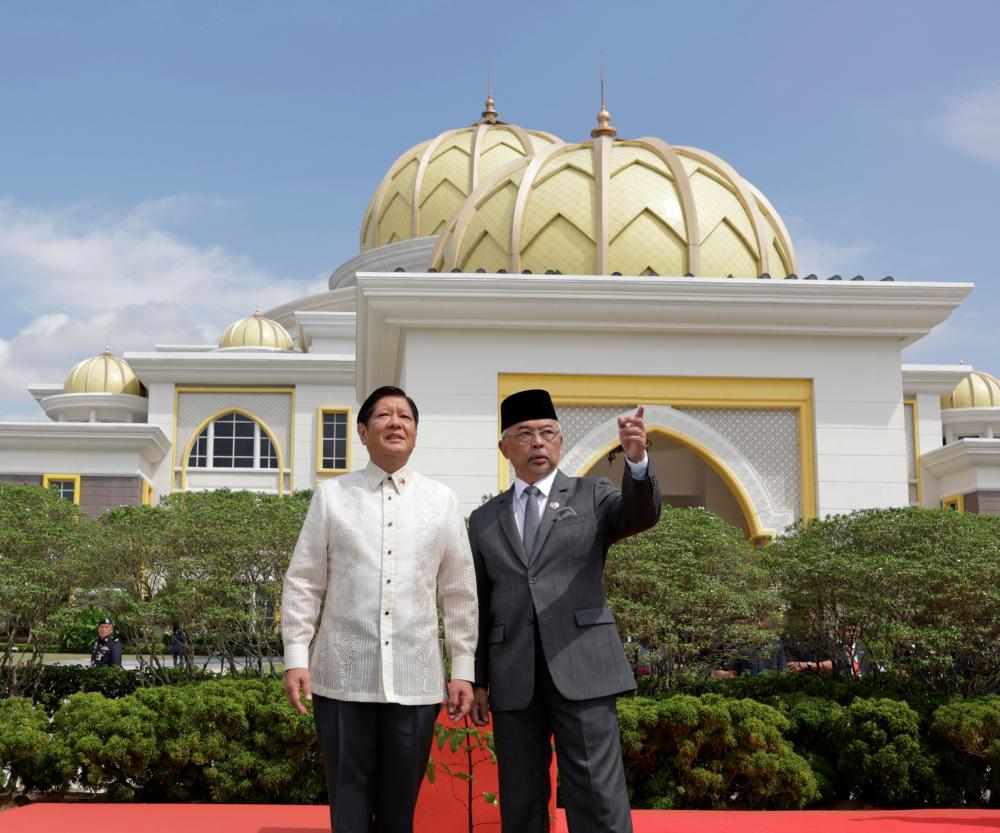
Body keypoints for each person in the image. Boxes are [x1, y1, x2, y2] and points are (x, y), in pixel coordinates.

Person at [281, 385, 478, 833]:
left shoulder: (441, 501)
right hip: (342, 679)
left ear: (415, 433)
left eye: (405, 417)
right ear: (363, 432)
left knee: (399, 809)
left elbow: (459, 591)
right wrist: (296, 657)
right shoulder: (332, 496)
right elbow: (304, 581)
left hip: (416, 678)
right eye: (385, 416)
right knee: (347, 803)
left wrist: (462, 667)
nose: (396, 423)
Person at [469, 389, 661, 833]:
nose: (537, 442)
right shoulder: (483, 519)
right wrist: (477, 678)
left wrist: (636, 462)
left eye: (547, 433)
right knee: (520, 797)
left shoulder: (591, 495)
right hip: (513, 673)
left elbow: (640, 514)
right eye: (525, 434)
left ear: (559, 441)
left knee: (597, 793)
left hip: (583, 664)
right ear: (505, 448)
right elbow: (480, 602)